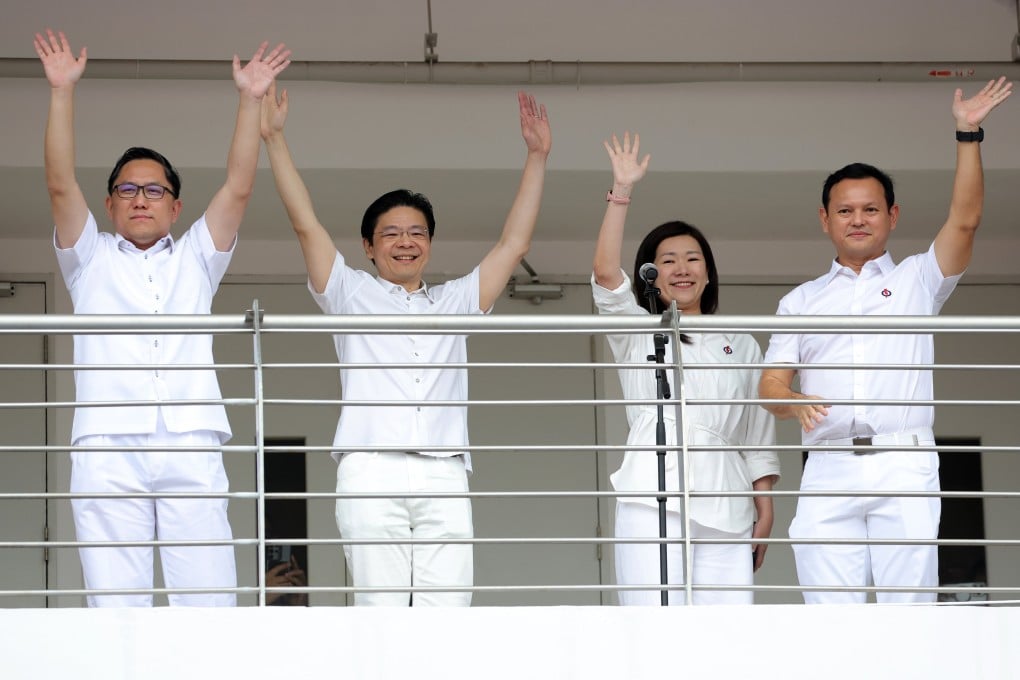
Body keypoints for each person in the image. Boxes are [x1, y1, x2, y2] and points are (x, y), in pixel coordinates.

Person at [260, 85, 552, 606]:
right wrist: (275, 138)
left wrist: (537, 157)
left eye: (417, 232)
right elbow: (306, 224)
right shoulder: (349, 292)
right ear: (369, 248)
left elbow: (514, 245)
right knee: (381, 614)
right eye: (391, 233)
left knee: (449, 612)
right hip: (371, 468)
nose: (405, 242)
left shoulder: (455, 300)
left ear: (430, 243)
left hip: (444, 470)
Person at [35, 29, 290, 607]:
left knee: (208, 604)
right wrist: (60, 93)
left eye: (154, 190)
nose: (141, 198)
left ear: (176, 207)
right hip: (106, 446)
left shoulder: (199, 257)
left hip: (191, 441)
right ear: (110, 205)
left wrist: (250, 100)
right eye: (127, 189)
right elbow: (57, 182)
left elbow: (240, 187)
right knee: (114, 608)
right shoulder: (88, 257)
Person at [758, 78, 1012, 604]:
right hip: (828, 464)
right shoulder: (801, 300)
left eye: (870, 209)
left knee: (910, 611)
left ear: (892, 217)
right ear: (825, 219)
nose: (858, 219)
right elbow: (771, 386)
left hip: (904, 460)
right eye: (845, 210)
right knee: (831, 615)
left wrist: (968, 134)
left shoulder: (920, 278)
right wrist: (793, 400)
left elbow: (965, 222)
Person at [592, 132, 779, 605]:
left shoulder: (740, 341)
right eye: (668, 260)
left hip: (727, 503)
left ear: (709, 272)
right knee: (653, 629)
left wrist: (765, 502)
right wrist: (621, 193)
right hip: (648, 497)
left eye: (693, 259)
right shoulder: (637, 328)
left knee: (726, 635)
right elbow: (604, 274)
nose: (682, 268)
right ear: (649, 274)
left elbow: (756, 433)